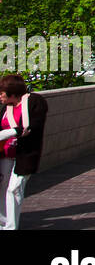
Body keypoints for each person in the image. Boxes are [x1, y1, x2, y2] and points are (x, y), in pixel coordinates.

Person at [0, 74, 47, 230]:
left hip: (25, 154)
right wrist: (15, 131)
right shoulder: (6, 108)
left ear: (12, 93)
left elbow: (35, 125)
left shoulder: (34, 102)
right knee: (3, 188)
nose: (0, 96)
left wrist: (17, 131)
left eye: (2, 93)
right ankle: (3, 222)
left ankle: (10, 227)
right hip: (6, 154)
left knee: (14, 189)